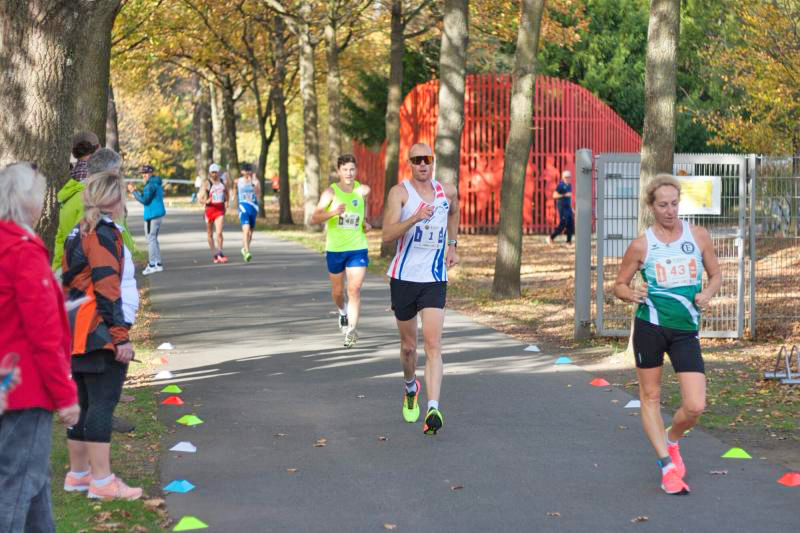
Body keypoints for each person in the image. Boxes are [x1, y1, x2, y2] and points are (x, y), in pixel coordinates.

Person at [613, 174, 721, 495]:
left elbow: (716, 275)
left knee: (695, 406)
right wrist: (631, 293)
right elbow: (618, 284)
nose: (670, 211)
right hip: (651, 327)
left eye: (674, 203)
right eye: (663, 205)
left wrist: (707, 294)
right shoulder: (642, 244)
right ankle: (666, 467)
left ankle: (672, 440)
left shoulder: (698, 236)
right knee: (651, 397)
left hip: (686, 330)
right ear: (651, 206)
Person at [0, 162, 80, 531]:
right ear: (26, 202)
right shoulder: (22, 251)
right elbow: (43, 333)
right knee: (17, 488)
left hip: (8, 384)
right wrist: (64, 395)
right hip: (25, 389)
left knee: (35, 485)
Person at [62, 171, 142, 501]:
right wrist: (120, 337)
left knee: (83, 403)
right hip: (96, 330)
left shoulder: (77, 231)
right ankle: (102, 480)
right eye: (122, 195)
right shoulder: (102, 233)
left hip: (76, 329)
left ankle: (78, 475)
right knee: (101, 405)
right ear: (113, 199)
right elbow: (108, 288)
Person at [382, 143, 459, 435]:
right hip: (403, 278)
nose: (423, 165)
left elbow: (454, 212)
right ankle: (410, 386)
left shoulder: (446, 192)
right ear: (410, 164)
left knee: (434, 346)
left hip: (434, 277)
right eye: (417, 160)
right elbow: (387, 234)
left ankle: (433, 408)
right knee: (409, 347)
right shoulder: (400, 193)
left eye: (427, 159)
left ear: (433, 162)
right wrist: (414, 217)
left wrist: (452, 245)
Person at [311, 154, 371, 348]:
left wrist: (365, 223)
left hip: (357, 248)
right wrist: (333, 213)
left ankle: (351, 331)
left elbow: (361, 212)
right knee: (338, 292)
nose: (349, 173)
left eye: (352, 169)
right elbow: (315, 217)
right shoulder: (331, 192)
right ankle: (342, 312)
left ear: (356, 170)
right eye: (345, 170)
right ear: (339, 171)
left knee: (354, 289)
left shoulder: (363, 191)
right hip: (335, 249)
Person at [52, 146, 136, 272]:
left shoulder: (76, 197)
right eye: (118, 170)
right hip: (95, 277)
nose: (119, 175)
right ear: (110, 173)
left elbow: (61, 239)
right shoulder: (92, 200)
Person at [128, 165, 166, 275]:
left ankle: (152, 264)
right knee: (153, 238)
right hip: (157, 213)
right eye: (142, 173)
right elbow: (147, 198)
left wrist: (133, 192)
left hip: (152, 215)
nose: (144, 175)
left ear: (151, 173)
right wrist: (137, 192)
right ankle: (158, 264)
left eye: (146, 173)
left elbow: (145, 201)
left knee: (150, 239)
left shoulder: (150, 185)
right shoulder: (155, 183)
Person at [199, 163, 228, 263]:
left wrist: (226, 202)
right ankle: (214, 254)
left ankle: (220, 252)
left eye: (216, 172)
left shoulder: (222, 182)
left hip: (219, 210)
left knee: (219, 232)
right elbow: (200, 198)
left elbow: (226, 194)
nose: (215, 174)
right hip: (209, 210)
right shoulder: (207, 183)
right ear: (210, 173)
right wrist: (206, 201)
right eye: (213, 172)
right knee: (210, 233)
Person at [235, 162, 261, 262]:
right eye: (246, 170)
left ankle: (244, 248)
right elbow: (234, 189)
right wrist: (233, 196)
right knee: (246, 230)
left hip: (253, 208)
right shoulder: (238, 181)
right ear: (242, 172)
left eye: (249, 170)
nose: (248, 172)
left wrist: (254, 183)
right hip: (243, 207)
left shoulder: (255, 181)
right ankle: (247, 252)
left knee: (250, 233)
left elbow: (258, 193)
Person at [547, 169, 574, 245]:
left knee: (570, 224)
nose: (568, 178)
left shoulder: (569, 185)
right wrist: (564, 195)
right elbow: (554, 195)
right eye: (566, 177)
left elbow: (569, 199)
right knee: (563, 224)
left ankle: (568, 242)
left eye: (569, 177)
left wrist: (571, 208)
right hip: (562, 208)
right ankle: (551, 237)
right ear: (563, 177)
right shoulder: (561, 185)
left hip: (568, 208)